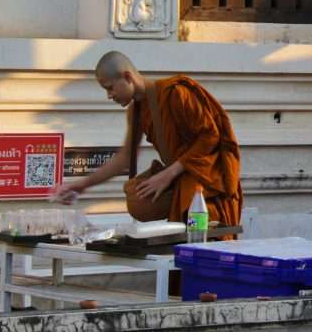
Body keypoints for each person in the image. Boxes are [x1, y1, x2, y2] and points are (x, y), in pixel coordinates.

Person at [52, 51, 243, 232]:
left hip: (207, 189)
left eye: (110, 88)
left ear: (127, 77)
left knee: (206, 254)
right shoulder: (135, 112)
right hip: (183, 188)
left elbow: (210, 136)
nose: (109, 96)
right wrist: (81, 184)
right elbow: (125, 158)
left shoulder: (176, 93)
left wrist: (169, 173)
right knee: (184, 255)